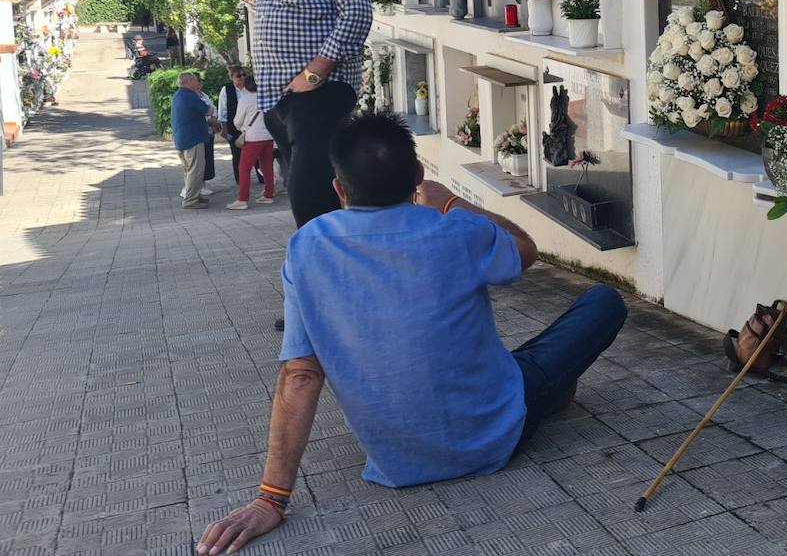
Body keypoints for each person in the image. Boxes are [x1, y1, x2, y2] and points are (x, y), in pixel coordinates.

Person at [194, 114, 626, 556]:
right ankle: (550, 396)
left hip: (397, 458)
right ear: (418, 176)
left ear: (340, 189)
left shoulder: (307, 246)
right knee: (602, 302)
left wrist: (271, 497)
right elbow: (524, 250)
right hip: (496, 432)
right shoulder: (457, 228)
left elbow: (301, 374)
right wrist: (449, 200)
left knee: (520, 362)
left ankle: (550, 392)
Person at [247, 0, 371, 232]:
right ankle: (337, 278)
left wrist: (314, 74)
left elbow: (357, 14)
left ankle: (324, 279)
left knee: (311, 201)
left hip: (318, 95)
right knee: (319, 202)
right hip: (278, 101)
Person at [227, 73, 275, 210]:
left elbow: (237, 121)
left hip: (253, 137)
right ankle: (268, 194)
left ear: (246, 86)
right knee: (267, 165)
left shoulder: (245, 100)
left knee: (244, 168)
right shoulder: (267, 98)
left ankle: (242, 199)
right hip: (268, 135)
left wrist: (242, 128)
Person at [171, 72, 215, 209]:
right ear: (189, 81)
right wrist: (211, 107)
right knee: (196, 170)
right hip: (193, 139)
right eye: (196, 80)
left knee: (189, 170)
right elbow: (208, 111)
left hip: (182, 138)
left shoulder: (178, 95)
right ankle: (190, 200)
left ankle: (195, 196)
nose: (198, 83)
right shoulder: (190, 95)